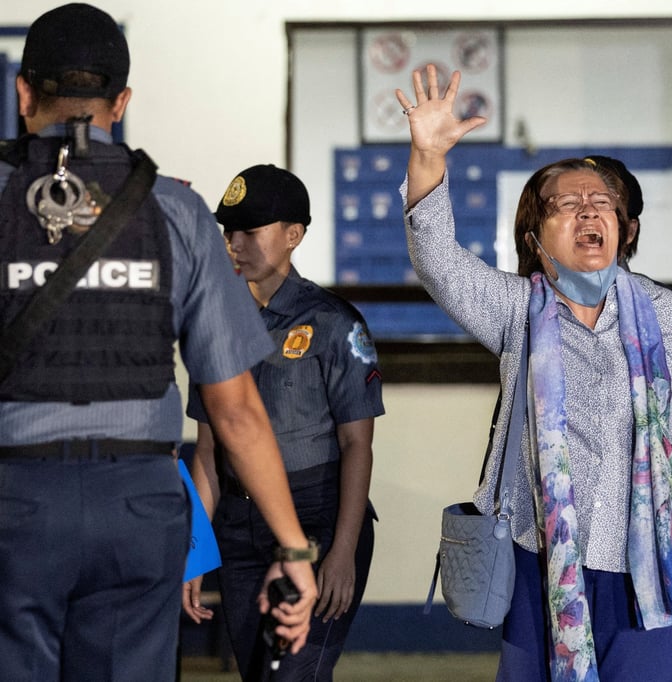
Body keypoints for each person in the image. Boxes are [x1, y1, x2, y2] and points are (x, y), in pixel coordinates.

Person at [397, 64, 672, 682]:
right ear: (536, 235)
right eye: (566, 205)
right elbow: (436, 260)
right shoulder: (516, 310)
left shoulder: (668, 319)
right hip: (537, 556)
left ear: (623, 229)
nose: (588, 212)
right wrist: (427, 156)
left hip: (644, 559)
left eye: (602, 204)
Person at [0, 4, 316, 680]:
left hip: (14, 504)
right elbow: (235, 409)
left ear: (24, 93)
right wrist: (292, 549)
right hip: (137, 506)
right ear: (123, 101)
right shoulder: (176, 212)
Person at [181, 165, 384, 680]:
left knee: (295, 674)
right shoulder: (215, 322)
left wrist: (341, 553)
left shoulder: (333, 323)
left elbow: (357, 445)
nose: (235, 243)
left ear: (293, 236)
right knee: (259, 673)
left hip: (316, 517)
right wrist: (194, 549)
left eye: (250, 230)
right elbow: (206, 451)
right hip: (237, 526)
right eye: (229, 231)